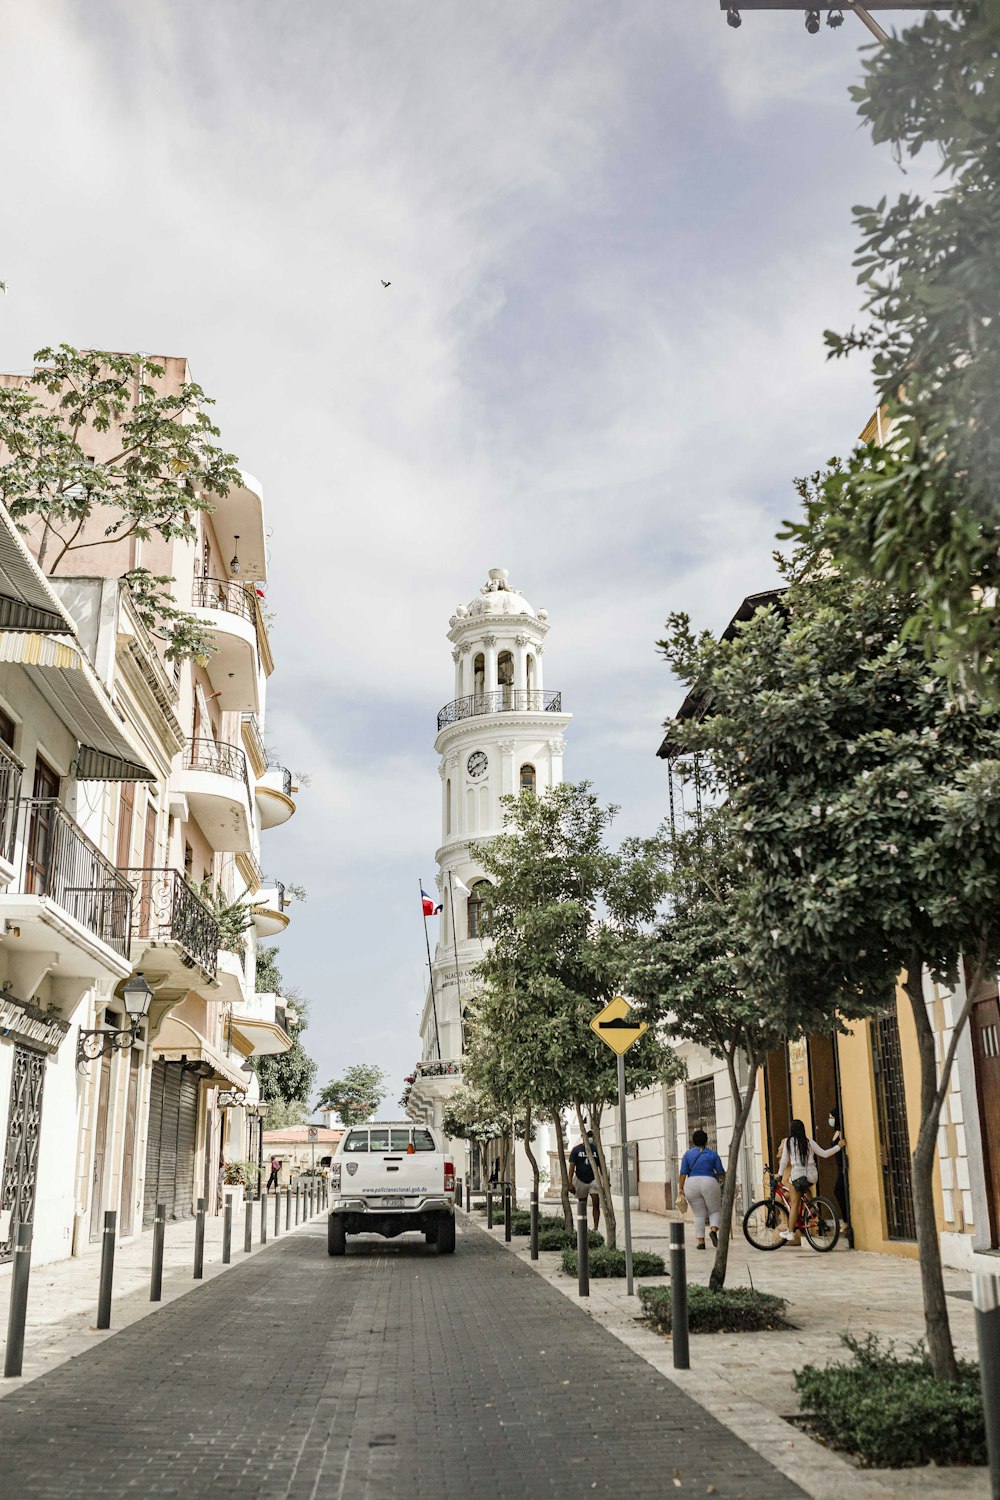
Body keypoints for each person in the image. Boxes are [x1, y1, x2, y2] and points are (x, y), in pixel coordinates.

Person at [778, 1118, 842, 1245]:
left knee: (794, 1204)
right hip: (812, 1176)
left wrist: (779, 1175)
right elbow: (824, 1154)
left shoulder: (788, 1143)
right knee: (804, 1187)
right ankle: (812, 1206)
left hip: (797, 1176)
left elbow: (784, 1161)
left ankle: (790, 1232)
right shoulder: (809, 1142)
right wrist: (838, 1147)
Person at [677, 1130, 726, 1250]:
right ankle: (713, 1230)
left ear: (693, 1141)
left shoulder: (687, 1155)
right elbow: (720, 1173)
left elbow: (683, 1173)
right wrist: (724, 1181)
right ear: (706, 1141)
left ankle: (700, 1242)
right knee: (714, 1210)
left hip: (691, 1184)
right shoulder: (713, 1154)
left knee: (698, 1214)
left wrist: (680, 1188)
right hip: (709, 1182)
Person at [568, 1129, 601, 1230]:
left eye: (591, 1137)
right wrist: (570, 1183)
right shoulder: (576, 1150)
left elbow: (601, 1166)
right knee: (582, 1203)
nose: (589, 1139)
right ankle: (583, 1227)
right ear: (583, 1137)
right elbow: (572, 1166)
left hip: (593, 1179)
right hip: (580, 1179)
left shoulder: (596, 1150)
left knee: (596, 1201)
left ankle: (596, 1227)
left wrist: (605, 1181)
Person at [827, 1107, 849, 1230]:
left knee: (838, 1190)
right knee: (839, 1191)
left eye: (832, 1117)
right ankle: (845, 1220)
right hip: (839, 1167)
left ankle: (846, 1220)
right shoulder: (836, 1132)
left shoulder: (841, 1132)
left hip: (843, 1168)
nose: (830, 1120)